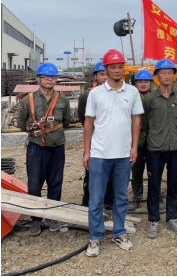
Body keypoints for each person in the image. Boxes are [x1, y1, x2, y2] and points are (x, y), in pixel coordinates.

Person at [83, 49, 143, 257]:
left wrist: (134, 147)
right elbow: (88, 123)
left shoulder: (132, 92)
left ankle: (119, 232)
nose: (117, 70)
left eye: (120, 67)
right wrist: (87, 151)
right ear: (106, 69)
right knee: (96, 198)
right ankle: (95, 237)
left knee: (121, 197)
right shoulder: (95, 94)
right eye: (113, 67)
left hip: (123, 155)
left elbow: (136, 120)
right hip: (100, 154)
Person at [17, 62, 71, 236]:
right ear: (39, 79)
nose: (50, 79)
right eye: (46, 77)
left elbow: (66, 121)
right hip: (36, 148)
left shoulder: (63, 100)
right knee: (34, 184)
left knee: (55, 183)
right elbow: (21, 123)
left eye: (53, 77)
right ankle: (36, 218)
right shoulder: (28, 100)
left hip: (57, 147)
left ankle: (53, 216)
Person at [143, 59, 177, 238]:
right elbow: (145, 123)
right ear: (157, 76)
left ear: (174, 75)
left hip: (176, 146)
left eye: (170, 72)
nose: (167, 76)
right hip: (155, 147)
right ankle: (153, 220)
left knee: (173, 183)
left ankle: (172, 217)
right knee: (154, 184)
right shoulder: (150, 99)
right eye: (163, 73)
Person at [79, 62, 113, 209]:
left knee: (112, 172)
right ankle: (88, 202)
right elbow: (84, 119)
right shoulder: (87, 96)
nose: (105, 77)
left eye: (106, 74)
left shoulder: (116, 93)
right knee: (92, 172)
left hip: (112, 140)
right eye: (101, 74)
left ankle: (109, 201)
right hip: (95, 139)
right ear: (95, 76)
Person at [128, 69, 162, 211]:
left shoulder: (157, 98)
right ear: (136, 83)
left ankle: (157, 198)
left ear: (151, 83)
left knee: (155, 172)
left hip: (154, 141)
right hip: (137, 142)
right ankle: (137, 198)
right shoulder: (130, 98)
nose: (143, 84)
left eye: (146, 81)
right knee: (137, 172)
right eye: (140, 81)